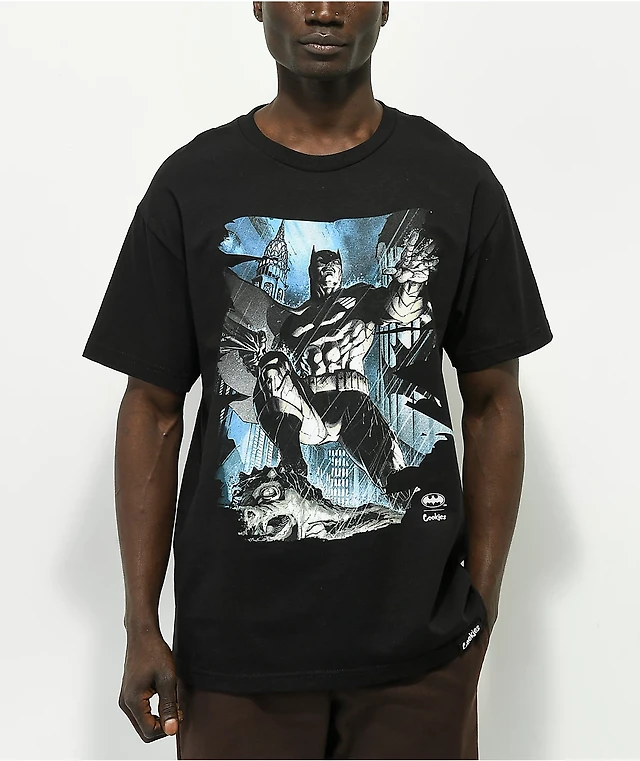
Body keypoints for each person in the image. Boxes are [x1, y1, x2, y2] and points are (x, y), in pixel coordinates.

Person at [81, 2, 553, 758]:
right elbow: (152, 408)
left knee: (360, 414)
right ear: (258, 5)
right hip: (236, 651)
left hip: (419, 652)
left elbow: (495, 400)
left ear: (386, 6)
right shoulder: (192, 186)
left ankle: (375, 486)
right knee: (294, 407)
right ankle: (303, 482)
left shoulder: (453, 180)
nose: (324, 9)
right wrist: (141, 622)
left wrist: (482, 607)